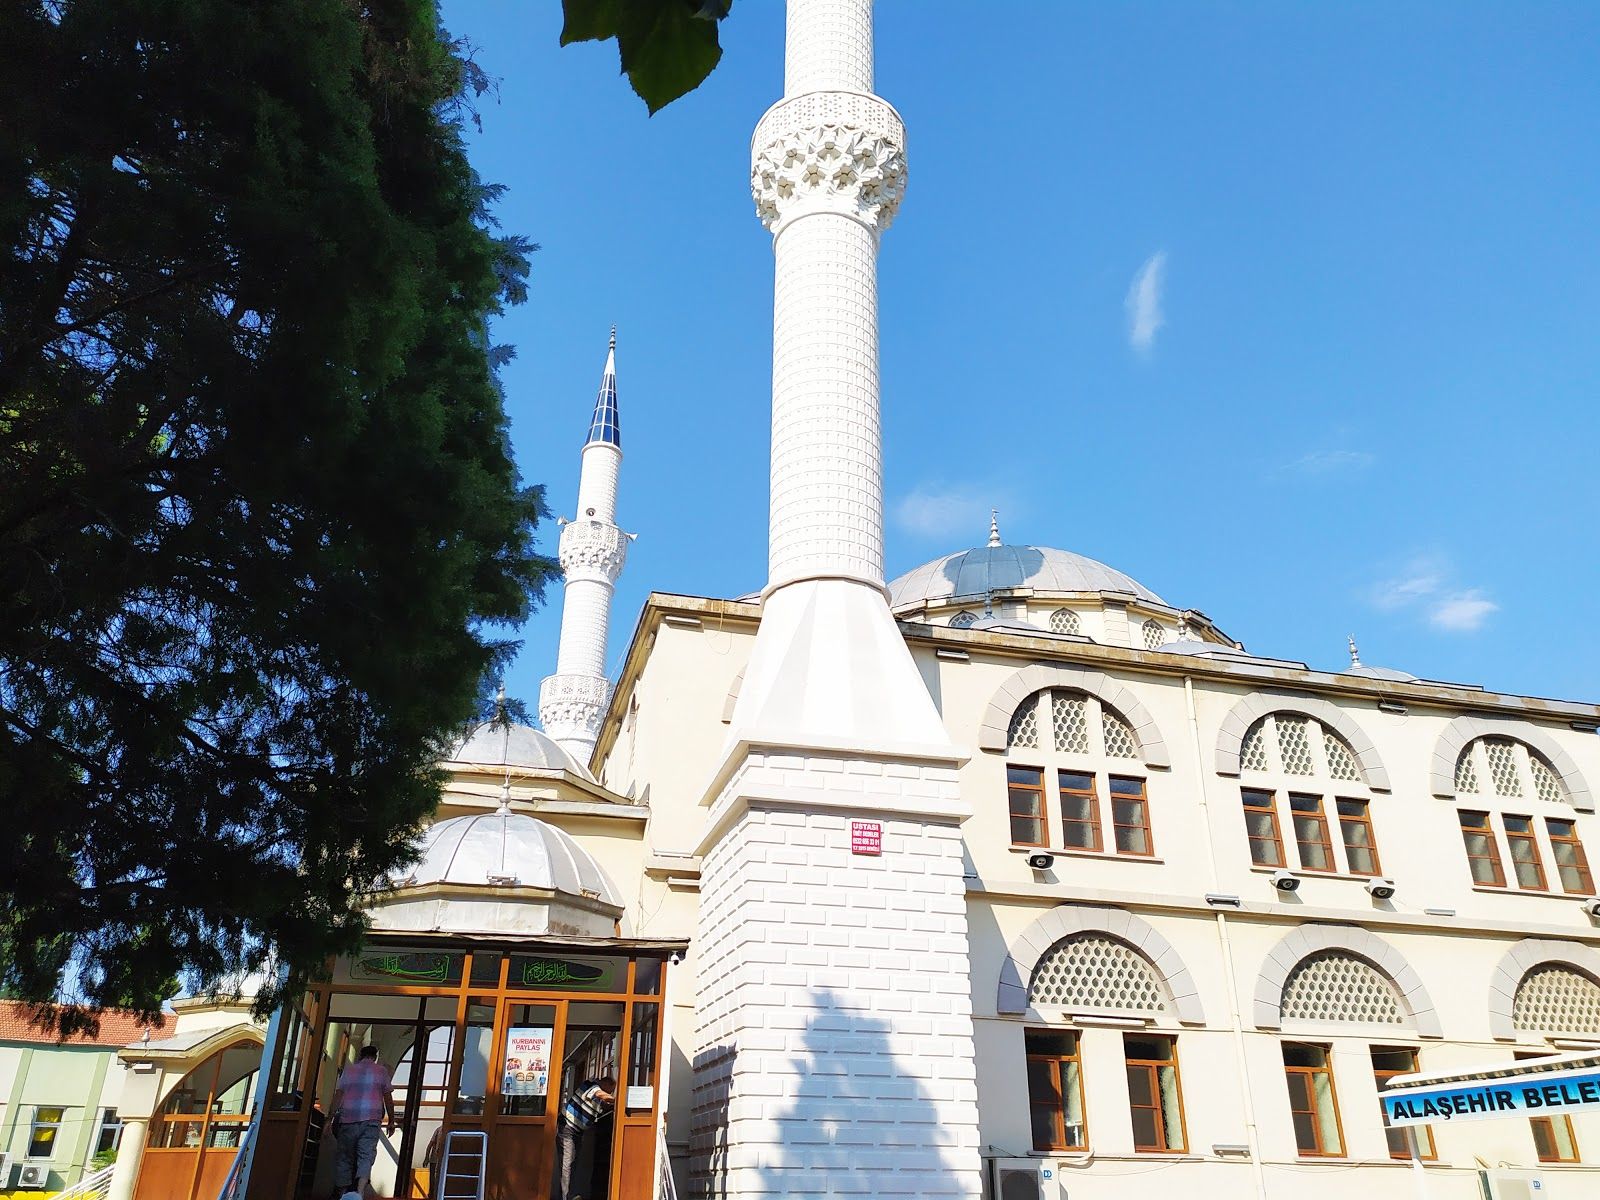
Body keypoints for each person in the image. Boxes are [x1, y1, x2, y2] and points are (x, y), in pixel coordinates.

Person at [331, 1045, 396, 1199]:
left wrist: (330, 1117)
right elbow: (388, 1098)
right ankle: (359, 1193)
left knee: (345, 1157)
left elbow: (339, 1094)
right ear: (375, 1056)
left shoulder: (349, 1070)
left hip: (348, 1119)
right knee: (366, 1157)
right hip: (371, 1120)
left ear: (360, 1055)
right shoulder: (381, 1071)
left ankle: (343, 1194)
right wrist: (391, 1121)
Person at [556, 1074, 616, 1200]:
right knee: (568, 1164)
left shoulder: (597, 1096)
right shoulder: (591, 1085)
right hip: (567, 1127)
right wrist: (618, 1100)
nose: (610, 1093)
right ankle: (566, 1197)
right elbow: (600, 1095)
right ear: (605, 1084)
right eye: (610, 1090)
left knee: (572, 1163)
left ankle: (569, 1194)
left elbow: (602, 1104)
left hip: (576, 1131)